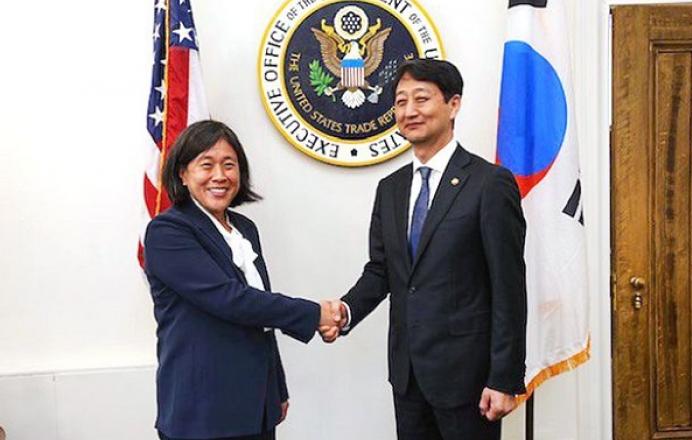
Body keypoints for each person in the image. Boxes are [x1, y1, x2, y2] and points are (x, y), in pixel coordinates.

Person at [321, 59, 527, 440]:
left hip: (469, 379)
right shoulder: (391, 188)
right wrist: (346, 311)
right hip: (408, 376)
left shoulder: (489, 183)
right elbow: (381, 270)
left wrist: (505, 377)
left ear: (453, 104)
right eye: (401, 102)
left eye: (421, 98)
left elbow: (508, 285)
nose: (409, 111)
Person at [144, 120, 340, 440]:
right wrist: (315, 314)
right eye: (206, 164)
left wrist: (277, 387)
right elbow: (230, 299)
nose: (220, 175)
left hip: (256, 404)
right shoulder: (168, 231)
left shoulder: (245, 229)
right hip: (203, 411)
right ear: (182, 174)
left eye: (229, 164)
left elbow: (260, 312)